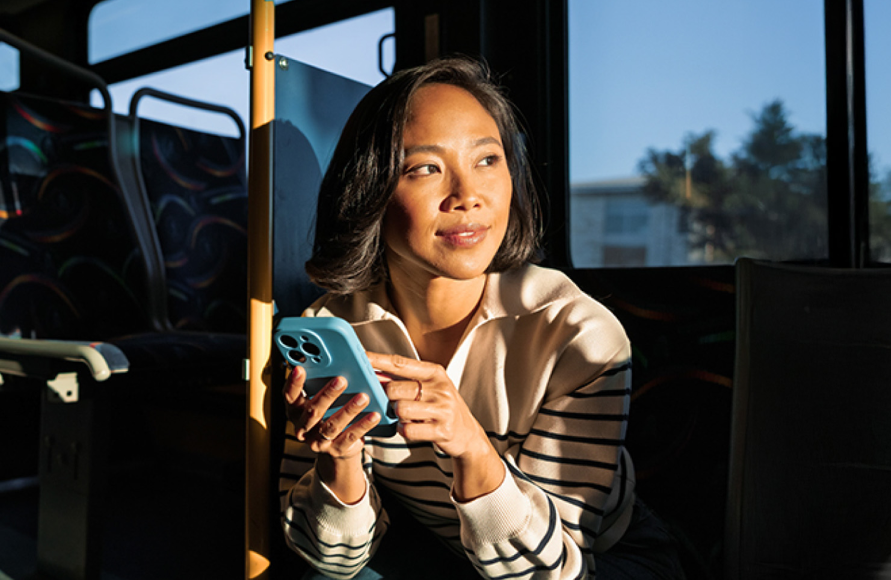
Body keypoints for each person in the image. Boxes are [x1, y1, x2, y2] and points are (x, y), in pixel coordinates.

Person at [278, 55, 685, 580]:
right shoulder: (335, 329)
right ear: (368, 189)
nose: (468, 196)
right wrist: (340, 461)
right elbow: (333, 561)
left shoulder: (580, 338)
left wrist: (472, 448)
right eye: (425, 168)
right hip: (442, 548)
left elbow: (551, 571)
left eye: (488, 160)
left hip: (597, 560)